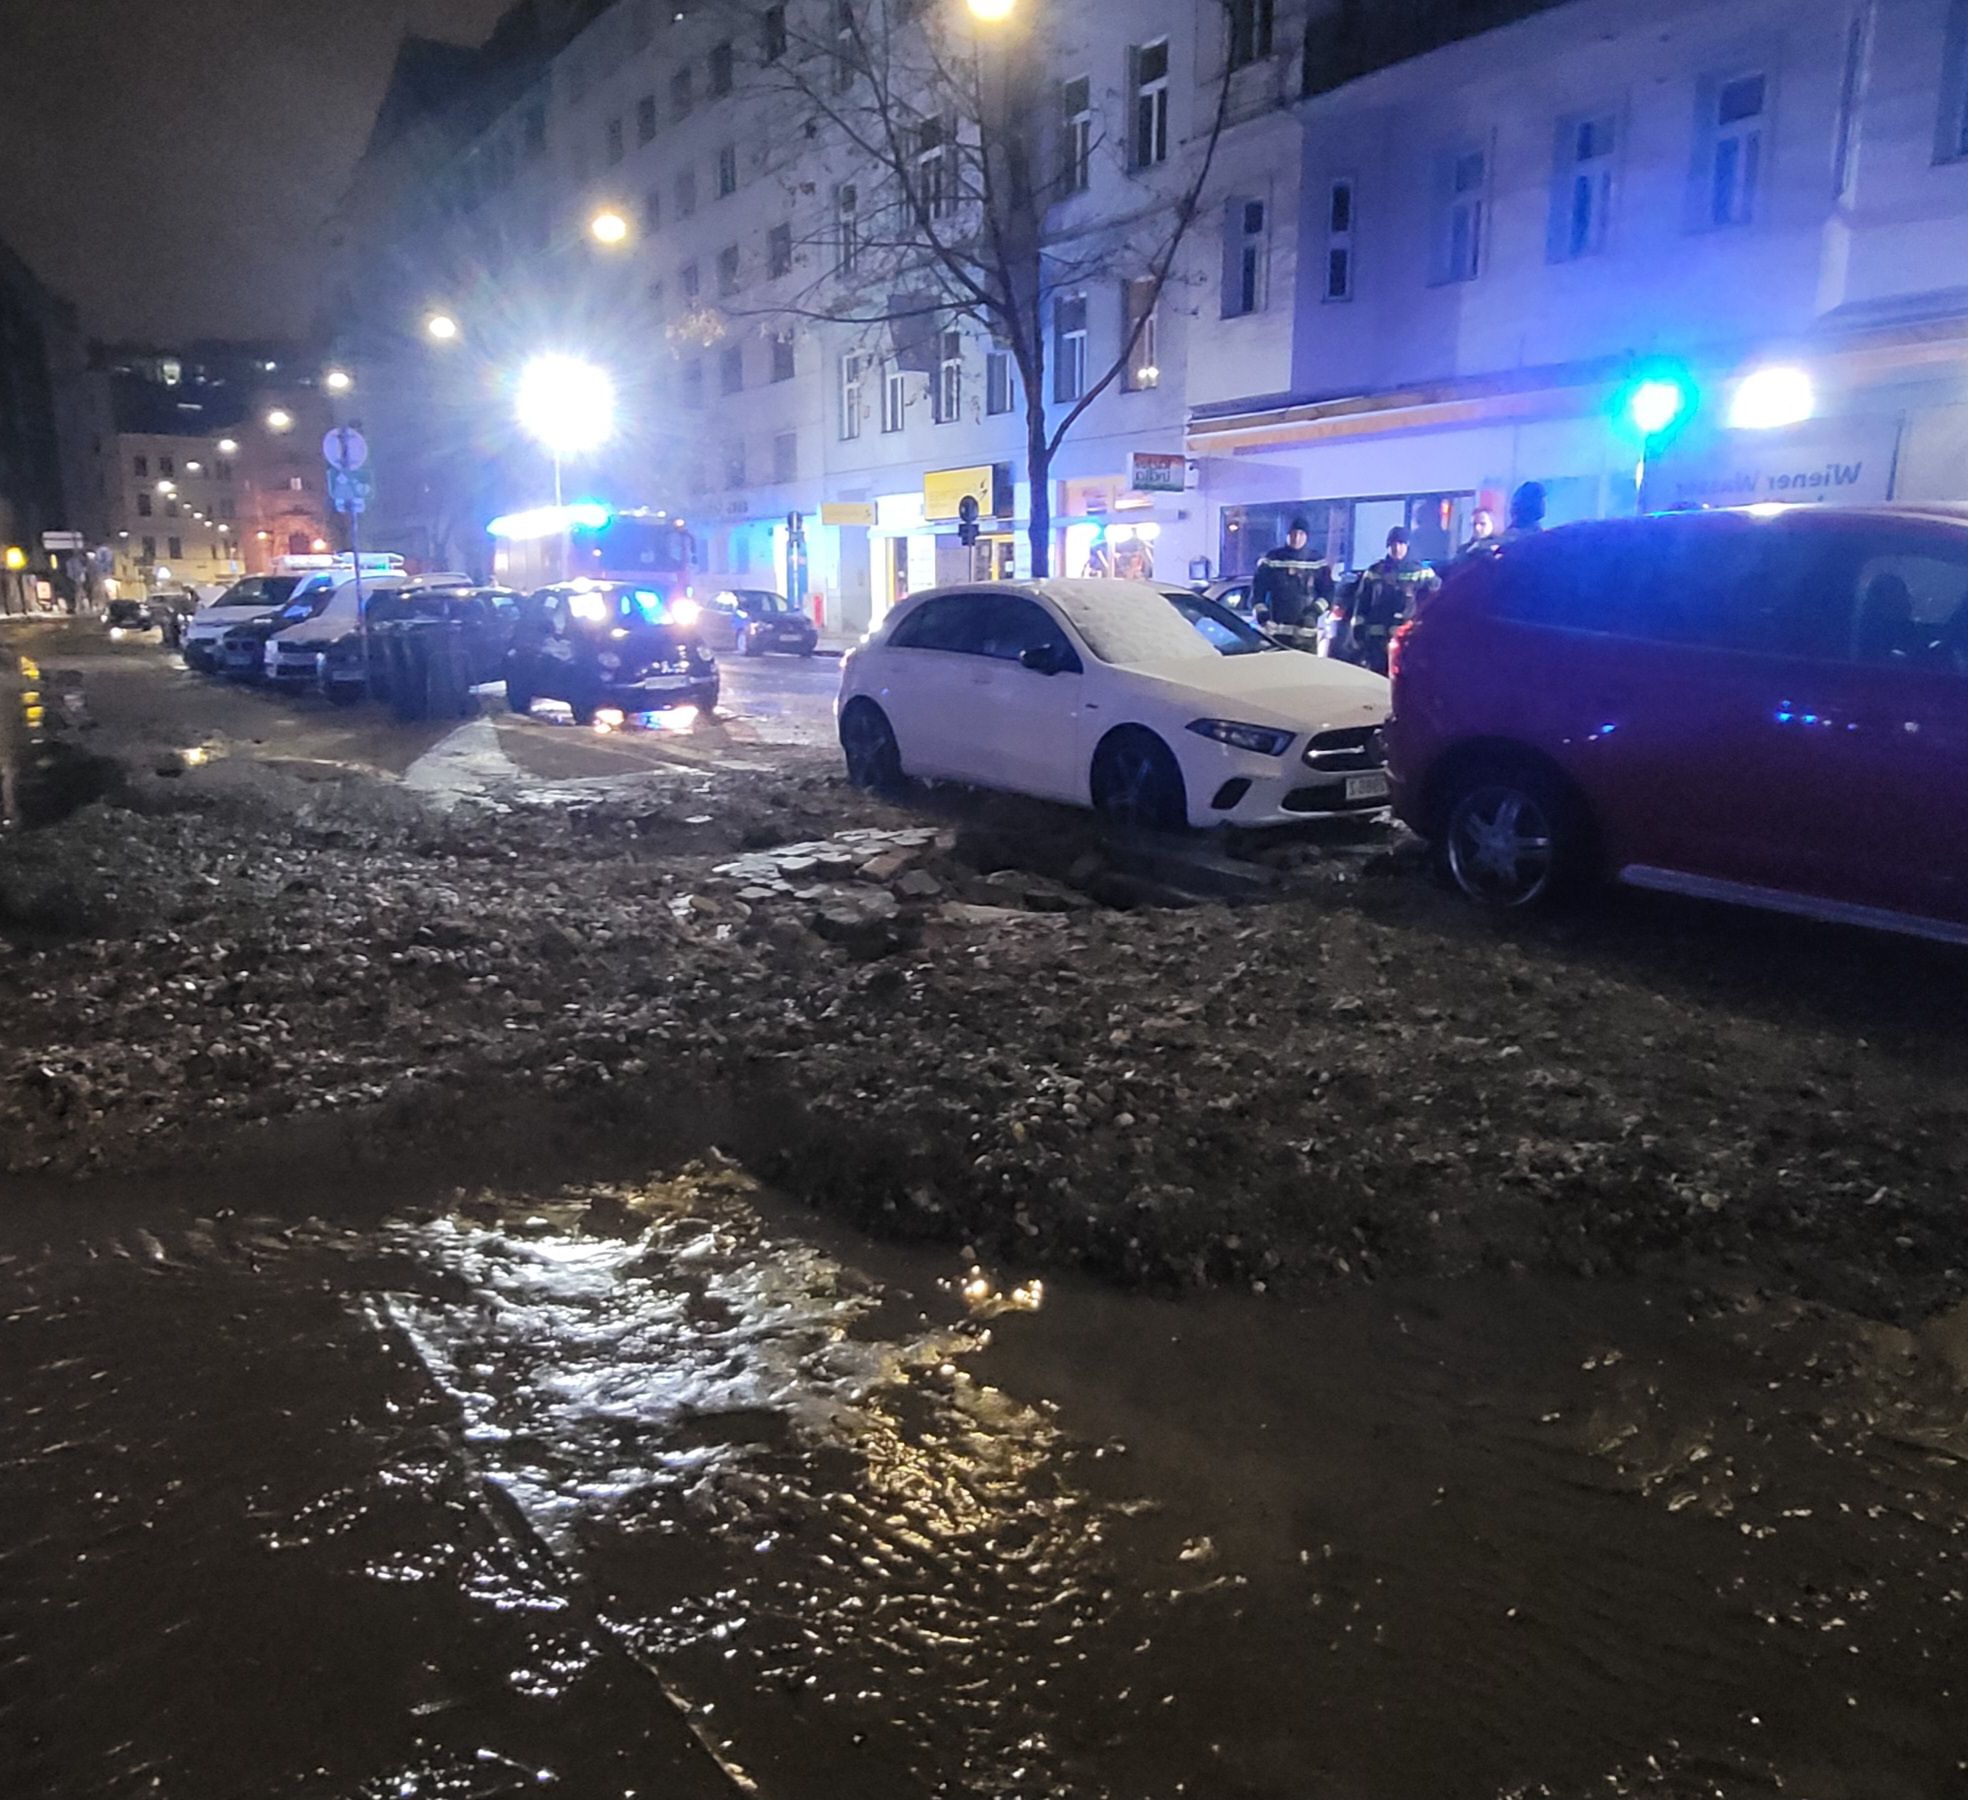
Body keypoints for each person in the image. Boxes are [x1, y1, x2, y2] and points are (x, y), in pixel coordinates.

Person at [1346, 527, 1440, 674]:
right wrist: (1357, 632)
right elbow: (1361, 603)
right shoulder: (1374, 572)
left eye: (1401, 544)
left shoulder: (1422, 572)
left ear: (1407, 545)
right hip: (1376, 643)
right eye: (1393, 544)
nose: (1397, 548)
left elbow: (1433, 603)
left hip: (1407, 642)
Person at [1250, 516, 1334, 647]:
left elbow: (1328, 594)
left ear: (1307, 536)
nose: (1297, 537)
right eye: (1293, 533)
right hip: (1276, 633)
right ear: (1287, 535)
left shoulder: (1317, 562)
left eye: (1301, 533)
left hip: (1306, 633)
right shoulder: (1272, 560)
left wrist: (1313, 612)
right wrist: (1263, 616)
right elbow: (1257, 593)